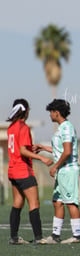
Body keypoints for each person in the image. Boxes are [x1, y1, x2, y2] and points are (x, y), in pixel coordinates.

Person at [34, 99, 80, 244]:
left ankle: (77, 236)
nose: (49, 115)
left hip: (68, 170)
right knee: (57, 202)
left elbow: (67, 151)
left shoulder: (66, 127)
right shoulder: (61, 128)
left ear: (57, 112)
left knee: (71, 202)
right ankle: (55, 236)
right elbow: (60, 150)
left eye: (51, 111)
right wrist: (43, 148)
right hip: (62, 170)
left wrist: (55, 166)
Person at [7, 99, 53, 245]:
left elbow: (21, 147)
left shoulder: (11, 127)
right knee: (34, 203)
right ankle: (38, 237)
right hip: (23, 171)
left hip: (13, 171)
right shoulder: (23, 127)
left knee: (17, 203)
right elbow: (22, 151)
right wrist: (42, 158)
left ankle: (14, 237)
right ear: (26, 111)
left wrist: (32, 148)